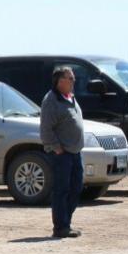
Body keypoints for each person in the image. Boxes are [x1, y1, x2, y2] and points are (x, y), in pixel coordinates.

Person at [40, 66, 85, 238]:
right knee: (62, 189)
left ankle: (66, 222)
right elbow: (46, 129)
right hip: (61, 154)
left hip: (75, 152)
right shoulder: (51, 100)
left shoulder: (70, 97)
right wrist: (56, 148)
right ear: (60, 81)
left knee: (76, 187)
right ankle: (60, 227)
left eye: (73, 78)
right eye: (70, 78)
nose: (74, 81)